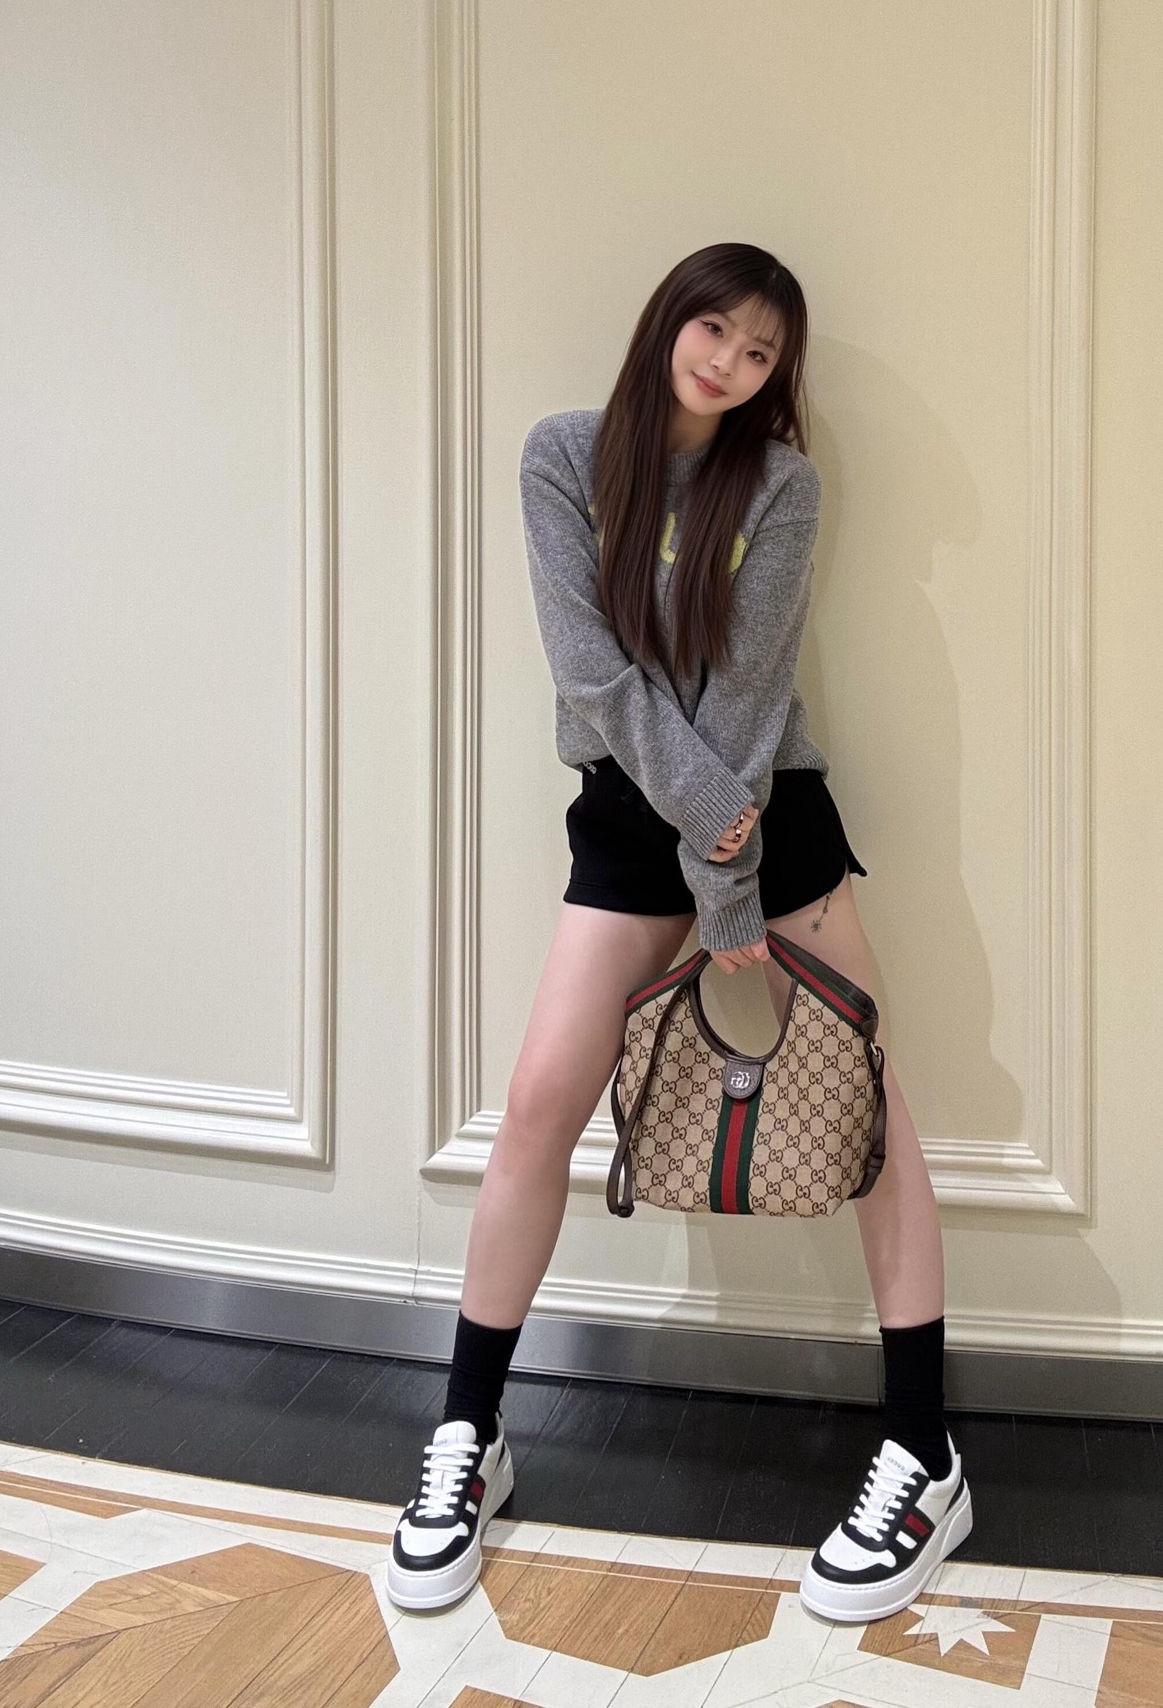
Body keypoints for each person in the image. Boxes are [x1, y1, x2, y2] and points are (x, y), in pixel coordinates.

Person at [386, 241, 971, 1624]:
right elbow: (589, 672)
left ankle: (925, 1455)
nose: (730, 363)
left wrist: (734, 874)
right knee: (539, 1106)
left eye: (762, 353)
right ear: (670, 322)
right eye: (716, 330)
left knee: (869, 1106)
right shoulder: (564, 455)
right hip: (649, 817)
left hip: (772, 807)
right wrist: (712, 869)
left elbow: (749, 689)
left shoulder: (781, 486)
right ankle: (469, 1436)